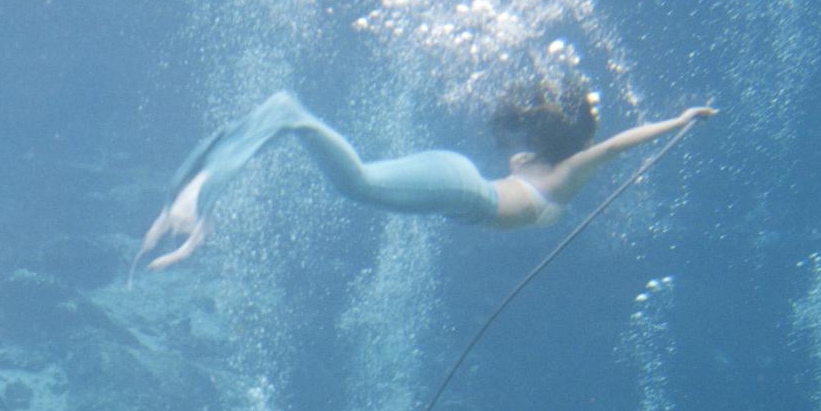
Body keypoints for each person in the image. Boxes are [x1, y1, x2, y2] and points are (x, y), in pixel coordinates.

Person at [132, 80, 715, 274]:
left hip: (458, 182)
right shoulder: (567, 175)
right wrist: (679, 120)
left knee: (354, 180)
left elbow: (595, 140)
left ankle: (198, 203)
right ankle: (291, 118)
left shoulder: (537, 164)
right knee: (353, 181)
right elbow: (616, 146)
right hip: (462, 191)